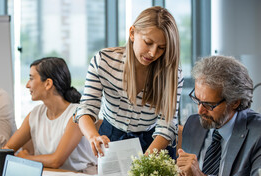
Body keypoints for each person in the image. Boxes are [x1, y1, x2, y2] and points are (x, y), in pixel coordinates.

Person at [74, 6, 183, 158]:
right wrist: (93, 136)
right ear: (132, 33)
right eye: (148, 42)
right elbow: (86, 108)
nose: (153, 53)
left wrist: (146, 161)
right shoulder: (104, 61)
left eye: (161, 48)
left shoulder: (172, 73)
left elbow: (167, 125)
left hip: (154, 143)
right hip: (111, 138)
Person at [177, 55, 261, 176]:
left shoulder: (259, 133)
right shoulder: (194, 124)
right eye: (197, 100)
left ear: (235, 102)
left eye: (209, 105)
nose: (200, 111)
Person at [4, 57, 97, 172]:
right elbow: (7, 149)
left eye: (31, 79)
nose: (27, 85)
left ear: (48, 83)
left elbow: (56, 161)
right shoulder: (35, 114)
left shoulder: (78, 115)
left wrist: (26, 158)